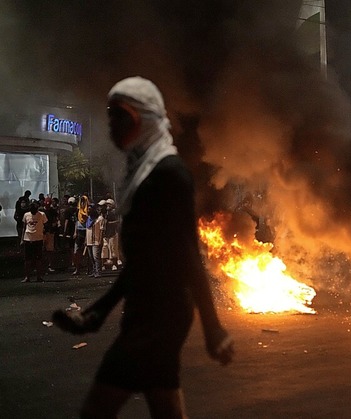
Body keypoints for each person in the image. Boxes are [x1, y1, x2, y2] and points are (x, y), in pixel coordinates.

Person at [52, 76, 233, 418]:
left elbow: (187, 254)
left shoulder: (169, 174)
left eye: (120, 116)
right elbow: (142, 261)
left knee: (96, 410)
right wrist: (99, 312)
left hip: (159, 315)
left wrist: (213, 327)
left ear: (145, 119)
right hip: (149, 311)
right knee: (164, 403)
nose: (112, 125)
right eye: (111, 116)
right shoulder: (145, 173)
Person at [21, 201, 48, 282]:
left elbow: (46, 226)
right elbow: (24, 227)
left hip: (38, 239)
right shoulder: (26, 215)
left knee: (38, 259)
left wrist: (45, 237)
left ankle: (39, 276)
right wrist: (22, 239)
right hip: (28, 239)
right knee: (27, 259)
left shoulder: (42, 215)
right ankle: (27, 277)